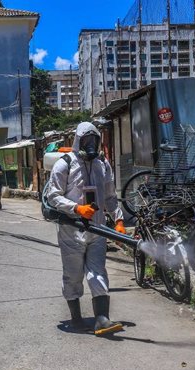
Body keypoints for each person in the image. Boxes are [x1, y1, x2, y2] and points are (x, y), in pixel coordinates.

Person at [46, 122, 126, 336]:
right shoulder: (64, 164)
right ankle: (76, 318)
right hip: (71, 231)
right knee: (73, 276)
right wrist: (77, 208)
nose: (91, 145)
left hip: (97, 230)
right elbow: (53, 196)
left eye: (94, 140)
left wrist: (118, 221)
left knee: (98, 272)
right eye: (86, 140)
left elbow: (109, 196)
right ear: (78, 140)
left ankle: (101, 318)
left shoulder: (103, 165)